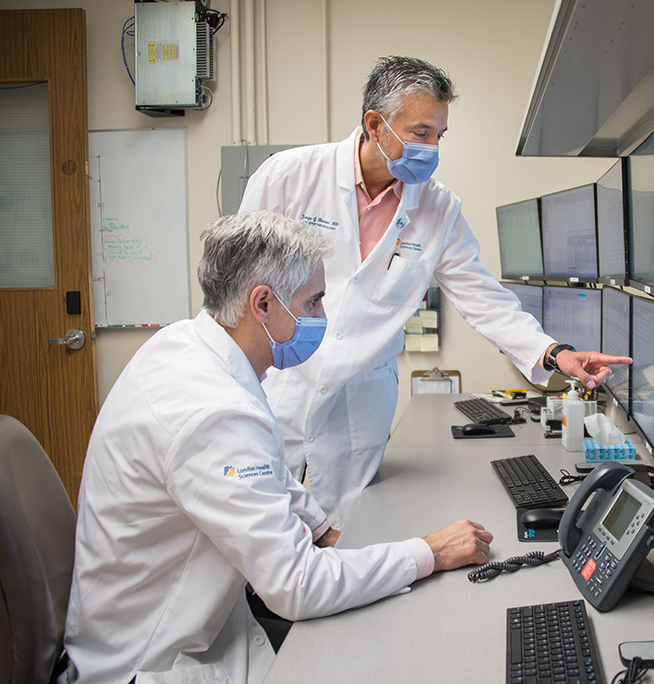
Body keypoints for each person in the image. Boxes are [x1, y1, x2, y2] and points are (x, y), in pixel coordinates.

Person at [61, 211, 494, 684]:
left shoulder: (186, 345)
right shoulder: (213, 411)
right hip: (154, 662)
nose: (323, 318)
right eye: (313, 302)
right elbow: (297, 587)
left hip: (178, 618)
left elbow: (265, 472)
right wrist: (429, 551)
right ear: (262, 303)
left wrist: (323, 528)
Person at [239, 56, 631, 524]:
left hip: (360, 398)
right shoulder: (289, 176)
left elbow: (482, 298)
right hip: (282, 380)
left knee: (347, 530)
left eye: (439, 136)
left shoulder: (439, 208)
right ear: (374, 124)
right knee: (259, 521)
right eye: (421, 133)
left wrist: (555, 352)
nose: (432, 148)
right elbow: (241, 285)